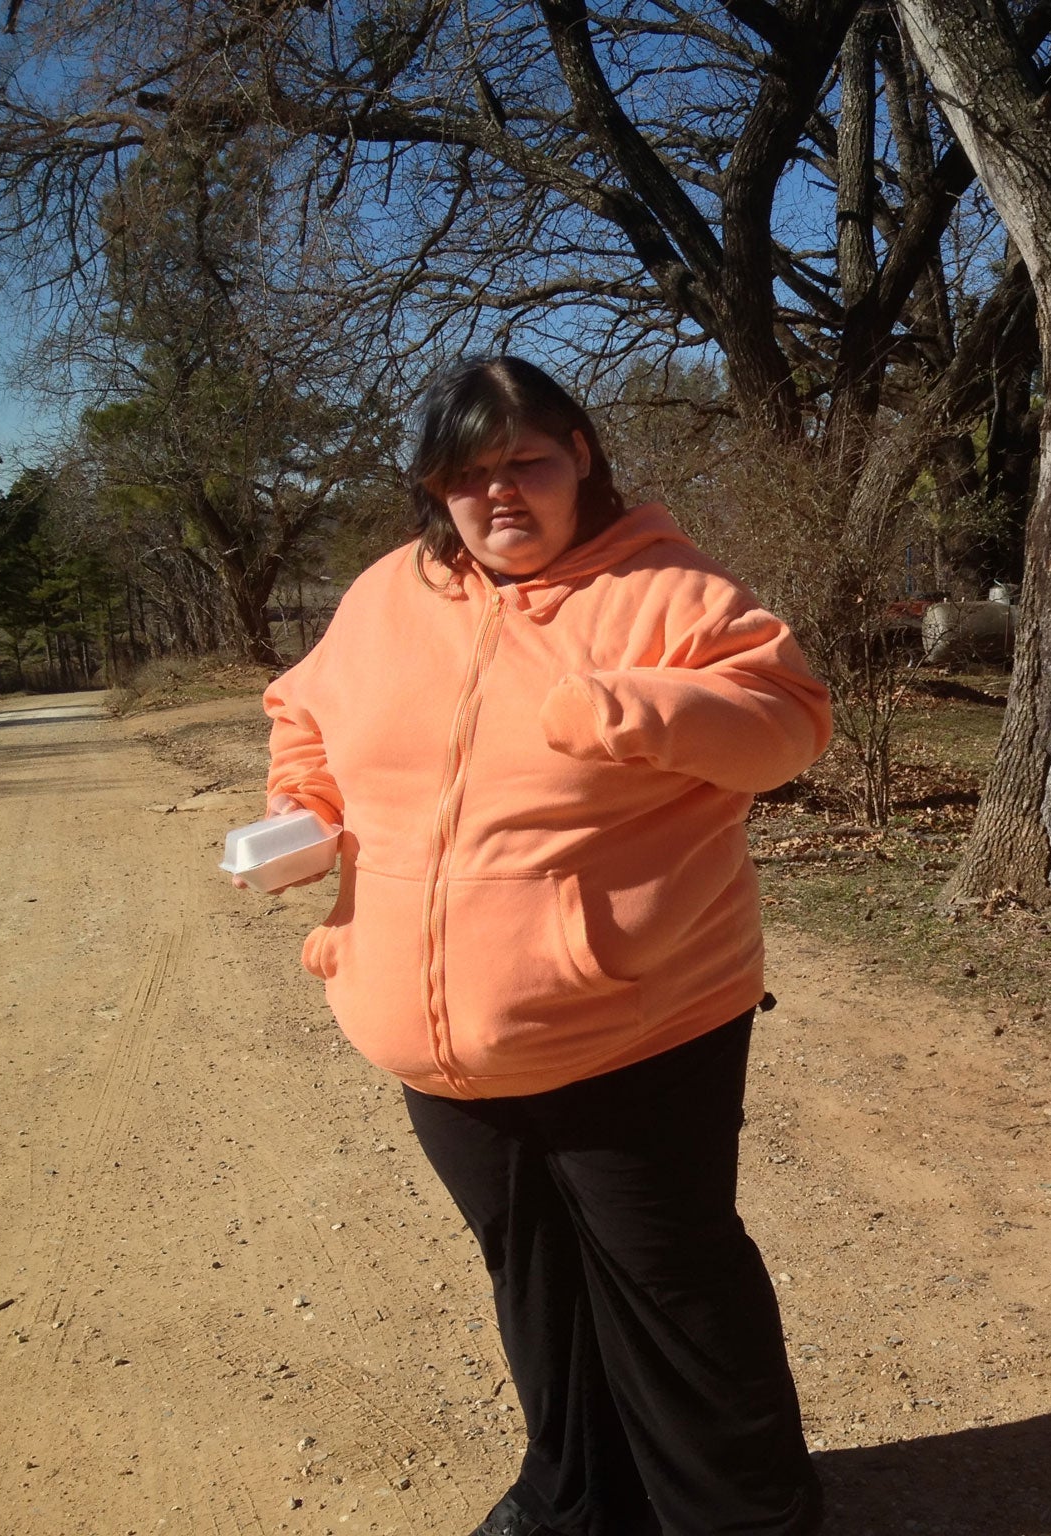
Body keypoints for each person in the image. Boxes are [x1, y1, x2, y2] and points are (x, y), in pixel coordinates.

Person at [252, 356, 832, 1536]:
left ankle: (743, 1516)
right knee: (534, 1280)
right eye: (470, 474)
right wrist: (300, 812)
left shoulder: (669, 591)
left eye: (527, 461)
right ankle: (574, 1499)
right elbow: (303, 712)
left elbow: (788, 726)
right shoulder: (385, 595)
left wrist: (632, 706)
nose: (501, 493)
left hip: (633, 1020)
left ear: (582, 459)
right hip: (435, 1047)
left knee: (672, 1285)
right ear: (436, 489)